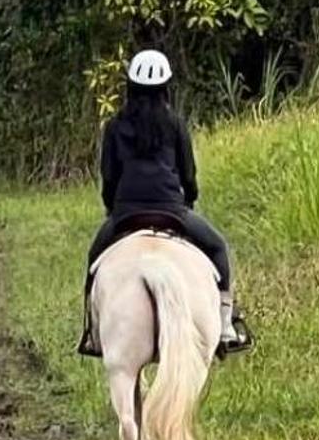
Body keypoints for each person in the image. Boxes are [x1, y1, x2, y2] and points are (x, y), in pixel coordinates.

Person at [78, 49, 252, 358]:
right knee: (218, 248)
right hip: (172, 210)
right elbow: (188, 174)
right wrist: (189, 199)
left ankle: (92, 332)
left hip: (126, 213)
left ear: (129, 86)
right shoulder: (175, 124)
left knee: (94, 261)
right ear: (166, 88)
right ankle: (226, 326)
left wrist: (113, 208)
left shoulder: (115, 127)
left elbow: (109, 177)